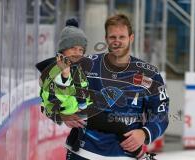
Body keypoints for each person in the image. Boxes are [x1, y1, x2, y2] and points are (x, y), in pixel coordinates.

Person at [61, 14, 169, 160]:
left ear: (131, 38)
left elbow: (160, 114)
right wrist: (64, 114)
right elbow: (59, 95)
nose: (117, 42)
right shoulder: (85, 66)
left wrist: (144, 133)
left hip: (125, 155)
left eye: (122, 37)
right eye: (113, 37)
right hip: (83, 153)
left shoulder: (150, 74)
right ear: (106, 39)